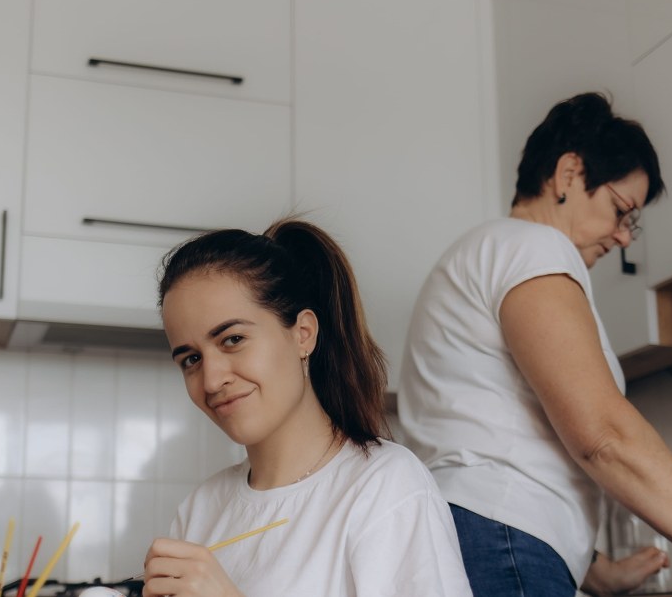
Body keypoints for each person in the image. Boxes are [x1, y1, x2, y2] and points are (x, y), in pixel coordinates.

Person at [398, 92, 672, 597]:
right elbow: (601, 435)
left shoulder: (486, 252)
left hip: (480, 541)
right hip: (502, 546)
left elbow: (490, 448)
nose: (626, 237)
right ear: (568, 174)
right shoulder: (532, 248)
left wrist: (594, 569)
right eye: (621, 210)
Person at [144, 219, 474, 597]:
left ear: (303, 334)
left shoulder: (385, 485)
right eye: (190, 359)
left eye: (233, 339)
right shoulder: (201, 510)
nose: (212, 379)